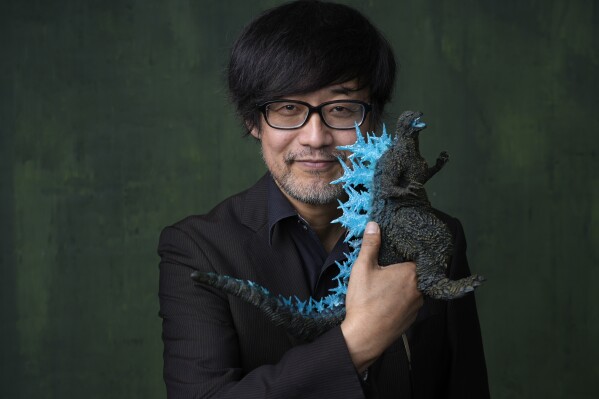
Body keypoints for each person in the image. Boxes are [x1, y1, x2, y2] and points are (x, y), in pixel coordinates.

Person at [158, 1, 489, 398]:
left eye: (342, 108)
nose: (315, 138)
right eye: (287, 108)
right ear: (252, 121)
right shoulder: (197, 249)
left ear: (374, 120)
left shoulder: (438, 236)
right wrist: (358, 342)